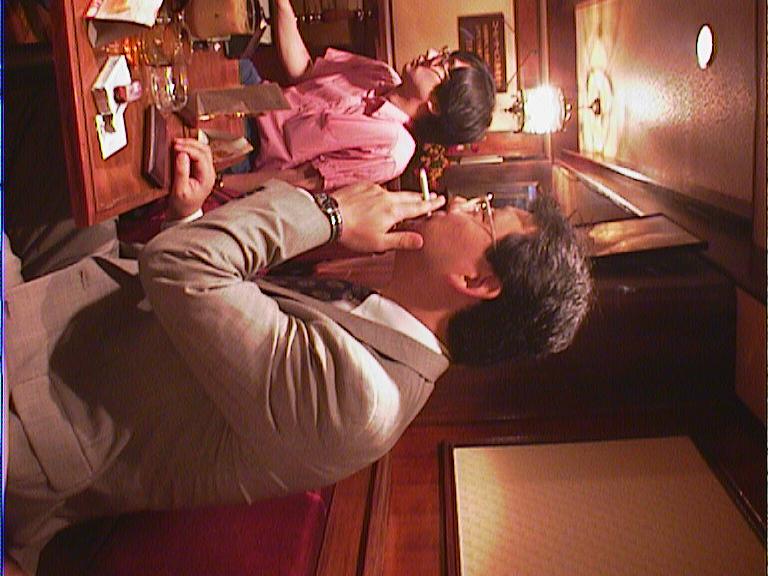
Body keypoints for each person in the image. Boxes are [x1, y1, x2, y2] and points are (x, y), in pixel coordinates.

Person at [5, 139, 592, 574]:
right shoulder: (383, 322)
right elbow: (206, 323)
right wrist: (191, 216)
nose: (462, 201)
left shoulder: (360, 400)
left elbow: (180, 269)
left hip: (41, 399)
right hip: (91, 312)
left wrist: (329, 213)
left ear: (478, 282)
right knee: (60, 131)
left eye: (485, 214)